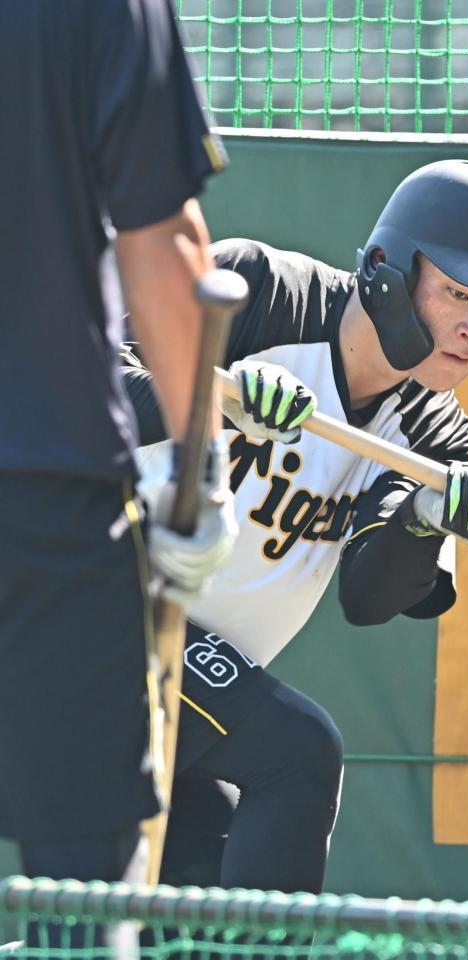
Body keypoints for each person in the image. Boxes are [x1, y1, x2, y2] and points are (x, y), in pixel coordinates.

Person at [124, 158, 468, 893]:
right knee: (298, 754)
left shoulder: (435, 435)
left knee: (191, 895)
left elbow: (369, 596)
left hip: (182, 688)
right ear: (384, 269)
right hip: (84, 613)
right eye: (457, 293)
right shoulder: (259, 291)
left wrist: (424, 517)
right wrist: (208, 399)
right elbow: (78, 392)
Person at [0, 0, 237, 895]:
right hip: (45, 509)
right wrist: (200, 468)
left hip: (49, 494)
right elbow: (164, 243)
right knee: (85, 890)